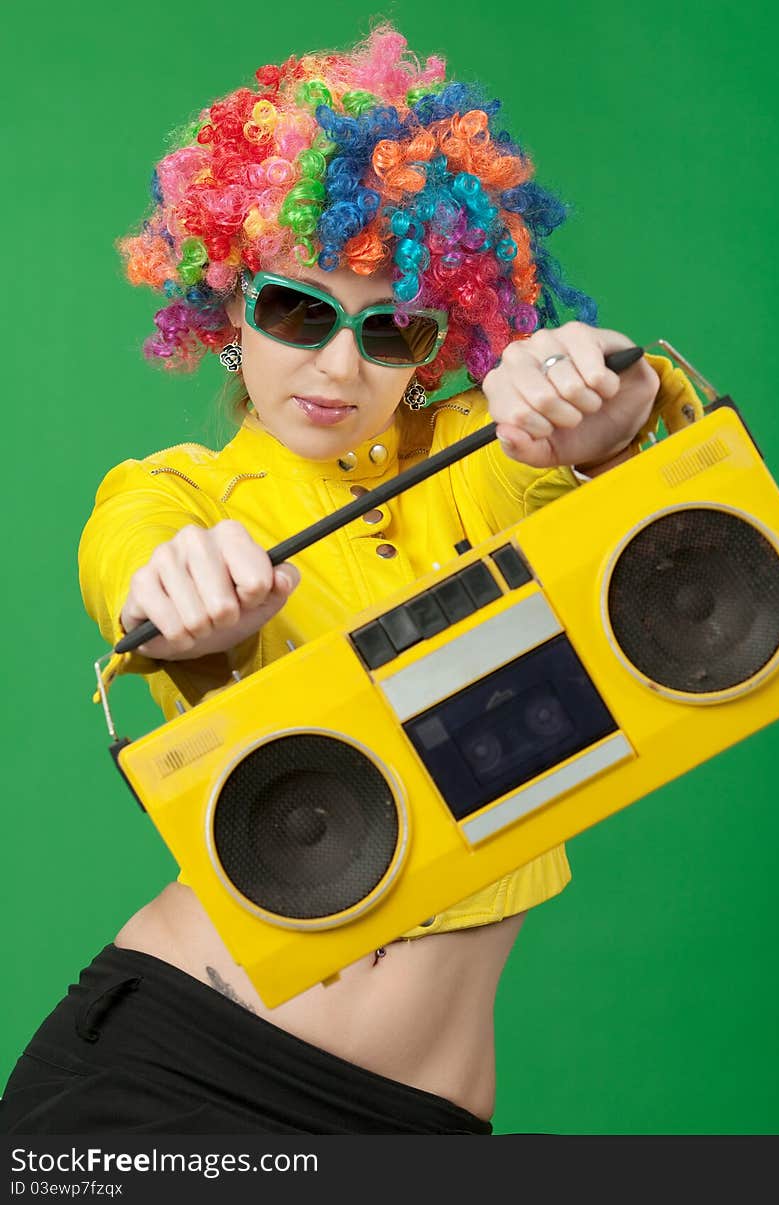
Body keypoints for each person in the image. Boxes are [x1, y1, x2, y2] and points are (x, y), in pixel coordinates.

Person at [0, 24, 699, 1135]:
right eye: (296, 308)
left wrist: (609, 408)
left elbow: (639, 501)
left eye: (390, 328)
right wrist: (169, 589)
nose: (336, 364)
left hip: (417, 1114)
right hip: (174, 1069)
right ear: (229, 304)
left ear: (440, 333)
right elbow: (131, 557)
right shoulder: (185, 495)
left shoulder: (491, 457)